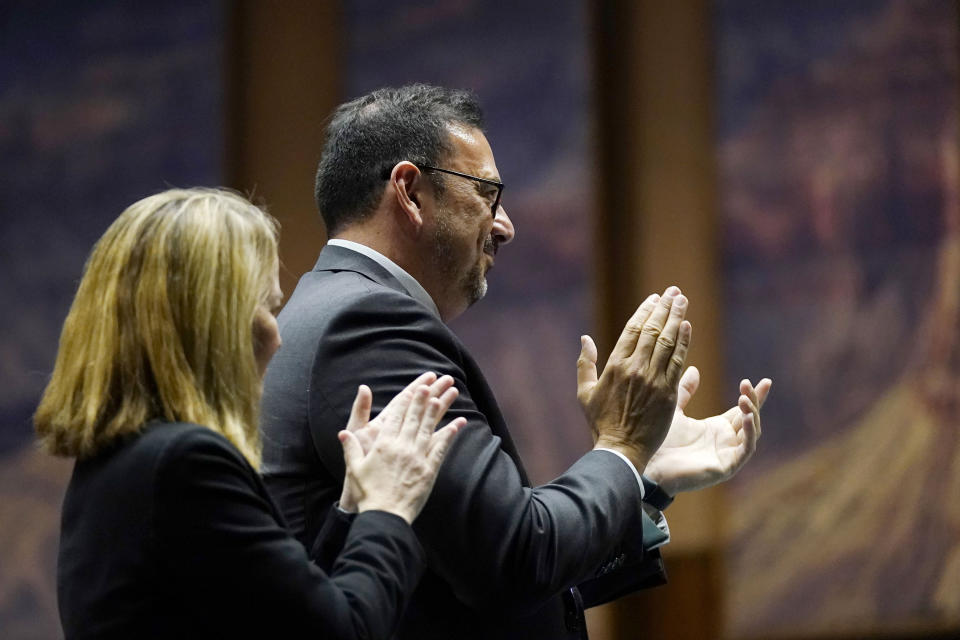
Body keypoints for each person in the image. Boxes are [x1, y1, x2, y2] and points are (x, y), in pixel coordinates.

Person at [260, 84, 771, 639]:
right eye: (486, 193)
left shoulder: (330, 310)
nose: (505, 226)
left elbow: (469, 564)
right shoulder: (368, 325)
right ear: (409, 192)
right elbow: (514, 559)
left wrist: (638, 479)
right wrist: (621, 448)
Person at [34, 188, 465, 640]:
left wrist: (353, 506)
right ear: (211, 325)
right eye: (264, 307)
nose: (275, 337)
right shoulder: (185, 464)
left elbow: (281, 615)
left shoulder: (120, 461)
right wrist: (389, 506)